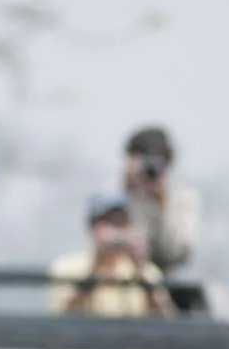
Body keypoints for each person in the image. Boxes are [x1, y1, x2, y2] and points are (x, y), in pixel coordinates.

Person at [48, 192, 176, 317]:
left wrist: (140, 272)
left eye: (122, 222)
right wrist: (95, 270)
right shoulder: (67, 267)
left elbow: (164, 324)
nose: (117, 231)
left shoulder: (148, 271)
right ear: (93, 227)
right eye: (109, 222)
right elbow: (65, 321)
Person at [121, 125, 201, 275]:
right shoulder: (115, 193)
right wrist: (124, 192)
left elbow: (177, 254)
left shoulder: (182, 199)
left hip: (165, 278)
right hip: (116, 276)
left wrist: (161, 205)